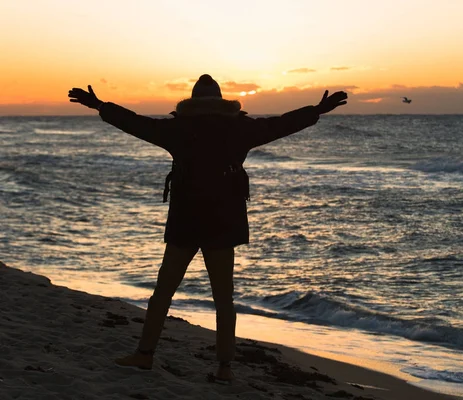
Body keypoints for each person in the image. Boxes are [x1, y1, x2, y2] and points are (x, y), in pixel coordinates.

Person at [68, 75, 347, 383]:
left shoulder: (177, 129)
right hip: (222, 223)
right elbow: (280, 124)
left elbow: (136, 123)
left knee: (163, 293)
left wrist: (99, 105)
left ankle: (145, 355)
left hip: (185, 221)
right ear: (221, 101)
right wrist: (317, 110)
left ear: (191, 103)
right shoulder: (240, 129)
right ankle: (225, 367)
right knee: (223, 299)